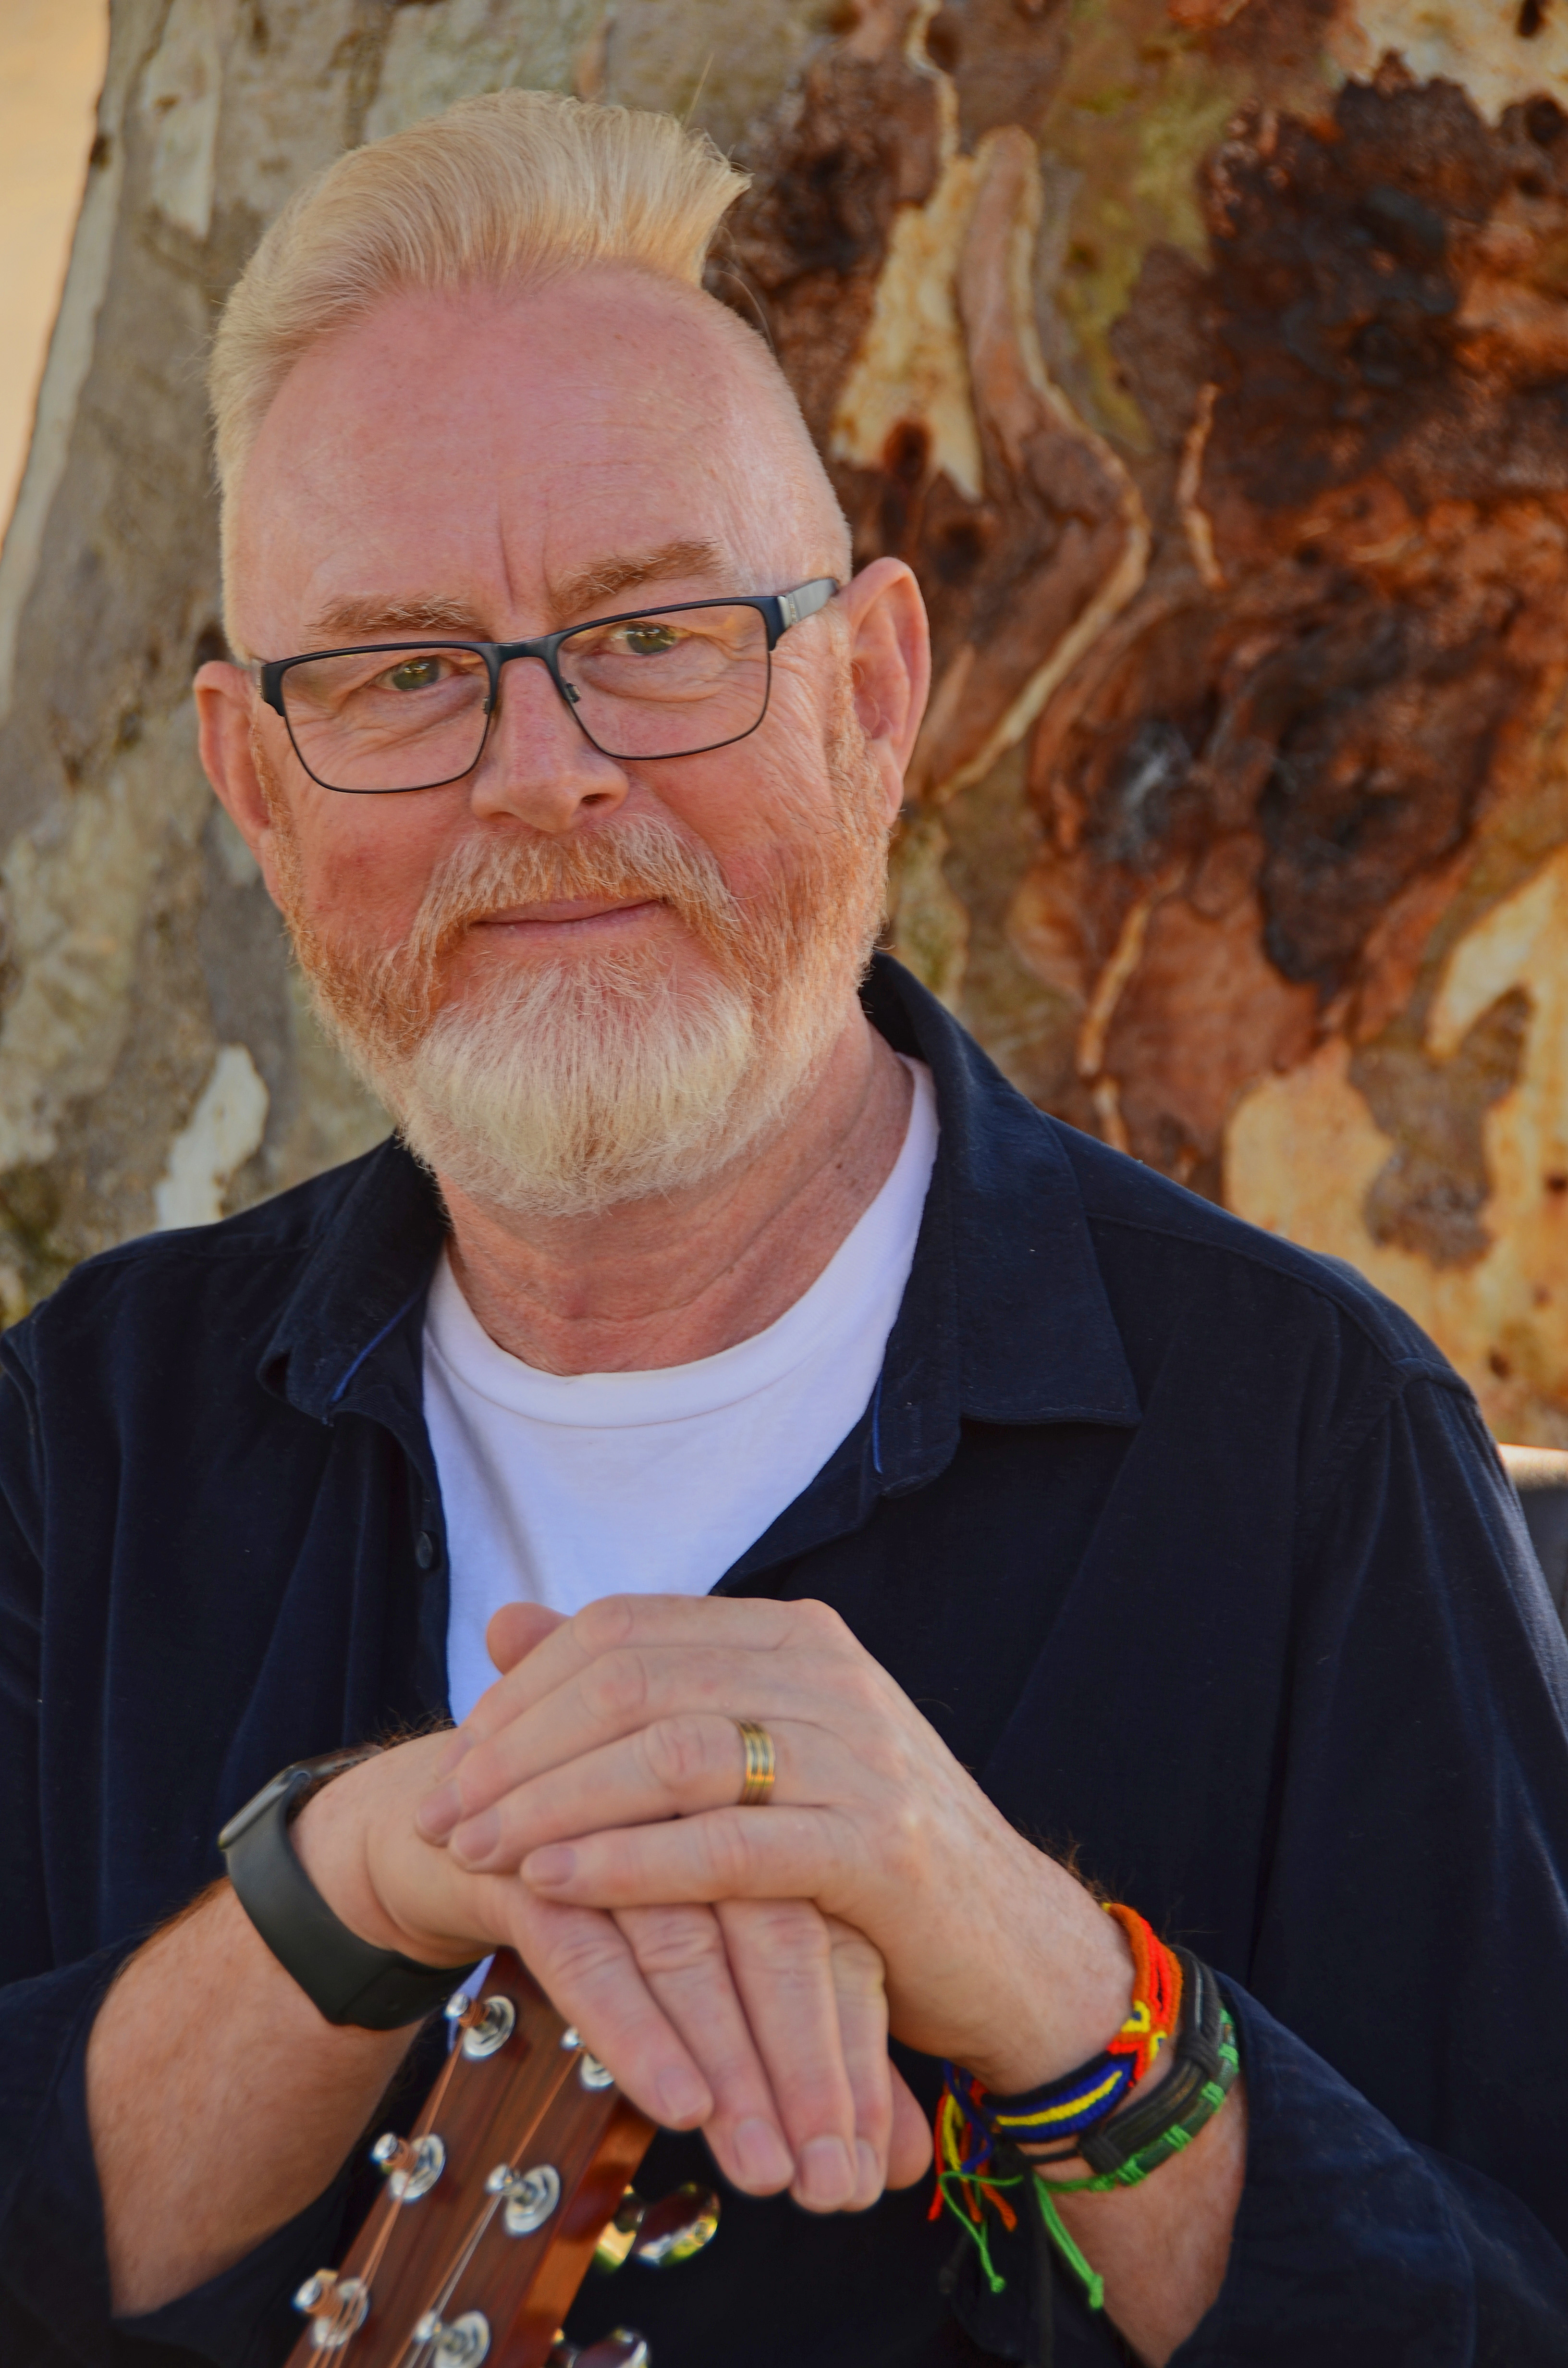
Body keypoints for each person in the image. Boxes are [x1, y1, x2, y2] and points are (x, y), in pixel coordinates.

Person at [2, 88, 1567, 2368]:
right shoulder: (84, 1426)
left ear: (874, 690)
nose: (544, 772)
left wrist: (1038, 1966)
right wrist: (363, 1873)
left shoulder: (1310, 1438)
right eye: (405, 671)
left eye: (656, 632)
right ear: (254, 783)